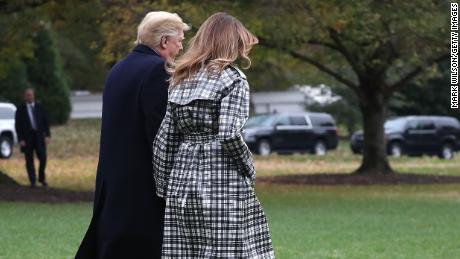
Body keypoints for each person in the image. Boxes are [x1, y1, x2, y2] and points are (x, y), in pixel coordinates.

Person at [153, 12, 275, 258]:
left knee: (186, 251)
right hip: (222, 179)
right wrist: (248, 167)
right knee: (231, 250)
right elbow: (229, 134)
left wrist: (165, 185)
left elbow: (164, 140)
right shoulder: (233, 79)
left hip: (182, 181)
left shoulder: (181, 79)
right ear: (232, 43)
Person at [75, 11, 189, 259]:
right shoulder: (157, 71)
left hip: (113, 179)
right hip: (141, 185)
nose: (181, 47)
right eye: (179, 40)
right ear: (164, 42)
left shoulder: (119, 68)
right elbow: (160, 136)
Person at [15, 88, 50, 188]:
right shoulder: (20, 109)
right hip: (27, 138)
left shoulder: (39, 107)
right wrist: (20, 139)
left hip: (39, 137)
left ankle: (42, 178)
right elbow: (18, 125)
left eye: (31, 95)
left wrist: (47, 135)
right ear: (24, 96)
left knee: (43, 158)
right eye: (27, 95)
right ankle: (32, 181)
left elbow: (46, 122)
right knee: (29, 160)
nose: (29, 97)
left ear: (34, 96)